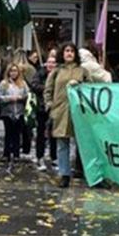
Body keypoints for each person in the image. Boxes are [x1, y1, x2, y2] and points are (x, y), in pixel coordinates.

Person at [45, 43, 110, 188]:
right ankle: (64, 174)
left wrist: (80, 84)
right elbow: (48, 90)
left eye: (72, 51)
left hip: (79, 112)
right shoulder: (56, 71)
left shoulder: (83, 71)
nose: (69, 54)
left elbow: (90, 89)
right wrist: (50, 105)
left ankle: (92, 175)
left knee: (85, 145)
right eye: (66, 51)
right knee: (63, 144)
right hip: (61, 112)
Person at [0, 63, 29, 167]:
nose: (13, 73)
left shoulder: (23, 84)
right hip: (7, 112)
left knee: (16, 134)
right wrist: (8, 98)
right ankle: (6, 154)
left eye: (15, 71)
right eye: (11, 71)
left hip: (19, 112)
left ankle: (16, 154)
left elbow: (27, 94)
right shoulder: (3, 84)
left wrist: (20, 97)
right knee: (8, 134)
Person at [30, 50, 56, 169]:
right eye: (49, 62)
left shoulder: (58, 75)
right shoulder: (40, 73)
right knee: (41, 133)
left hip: (55, 107)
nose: (51, 65)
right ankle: (40, 156)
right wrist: (47, 88)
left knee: (54, 133)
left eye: (53, 62)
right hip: (42, 107)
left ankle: (54, 156)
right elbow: (34, 85)